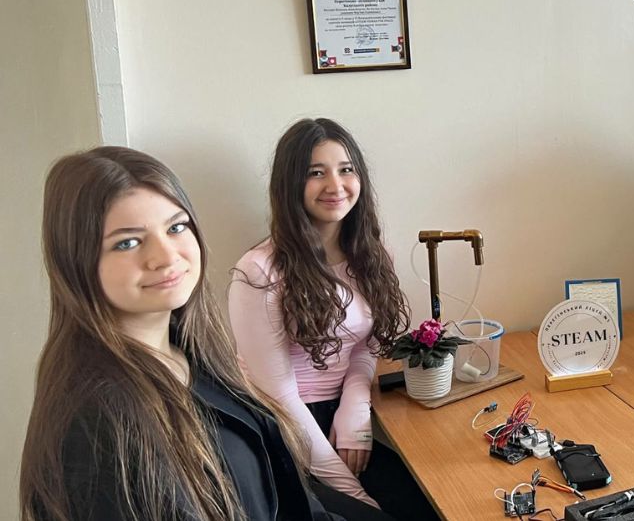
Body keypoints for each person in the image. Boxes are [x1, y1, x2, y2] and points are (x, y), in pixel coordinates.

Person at [19, 146, 343, 520]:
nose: (166, 256)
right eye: (127, 242)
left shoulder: (191, 352)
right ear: (77, 262)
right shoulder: (97, 422)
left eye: (176, 227)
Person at [229, 118, 435, 520]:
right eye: (316, 173)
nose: (335, 185)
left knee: (430, 507)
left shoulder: (372, 254)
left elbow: (365, 344)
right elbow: (278, 394)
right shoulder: (258, 271)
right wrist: (354, 494)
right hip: (282, 432)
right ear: (290, 184)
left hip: (340, 415)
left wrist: (355, 405)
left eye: (345, 169)